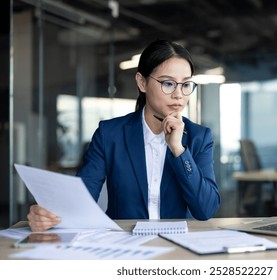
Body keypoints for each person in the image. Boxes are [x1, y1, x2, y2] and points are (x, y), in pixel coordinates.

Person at [27, 39, 221, 232]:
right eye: (168, 83)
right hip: (124, 243)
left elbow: (205, 210)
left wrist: (179, 150)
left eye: (185, 85)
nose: (179, 94)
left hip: (177, 245)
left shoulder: (198, 137)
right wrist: (48, 216)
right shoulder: (110, 134)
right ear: (142, 82)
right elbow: (82, 200)